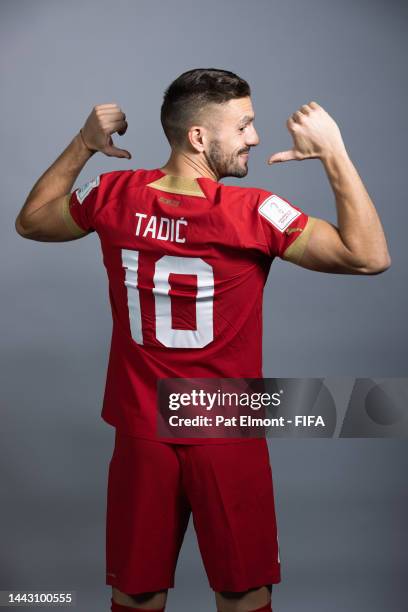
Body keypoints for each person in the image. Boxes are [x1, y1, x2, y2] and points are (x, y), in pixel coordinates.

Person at [15, 68, 391, 612]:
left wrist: (83, 145)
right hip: (224, 432)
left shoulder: (113, 194)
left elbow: (31, 222)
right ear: (198, 137)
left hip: (142, 430)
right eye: (244, 127)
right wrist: (333, 151)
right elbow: (369, 257)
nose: (255, 139)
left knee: (136, 595)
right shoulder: (255, 212)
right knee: (242, 596)